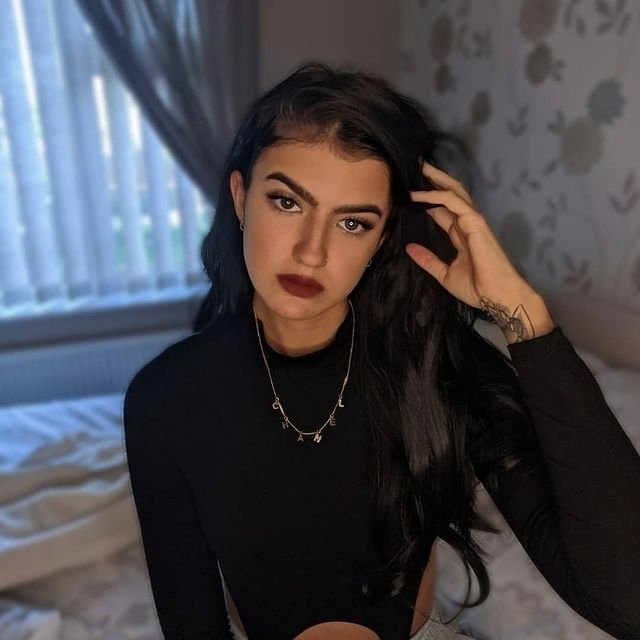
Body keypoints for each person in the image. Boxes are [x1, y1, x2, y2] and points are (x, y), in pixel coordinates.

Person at [122, 61, 640, 640]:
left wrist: (524, 315)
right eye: (287, 202)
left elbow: (628, 600)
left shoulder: (438, 367)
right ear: (241, 199)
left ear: (383, 237)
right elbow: (191, 621)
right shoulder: (165, 398)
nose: (312, 252)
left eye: (353, 223)